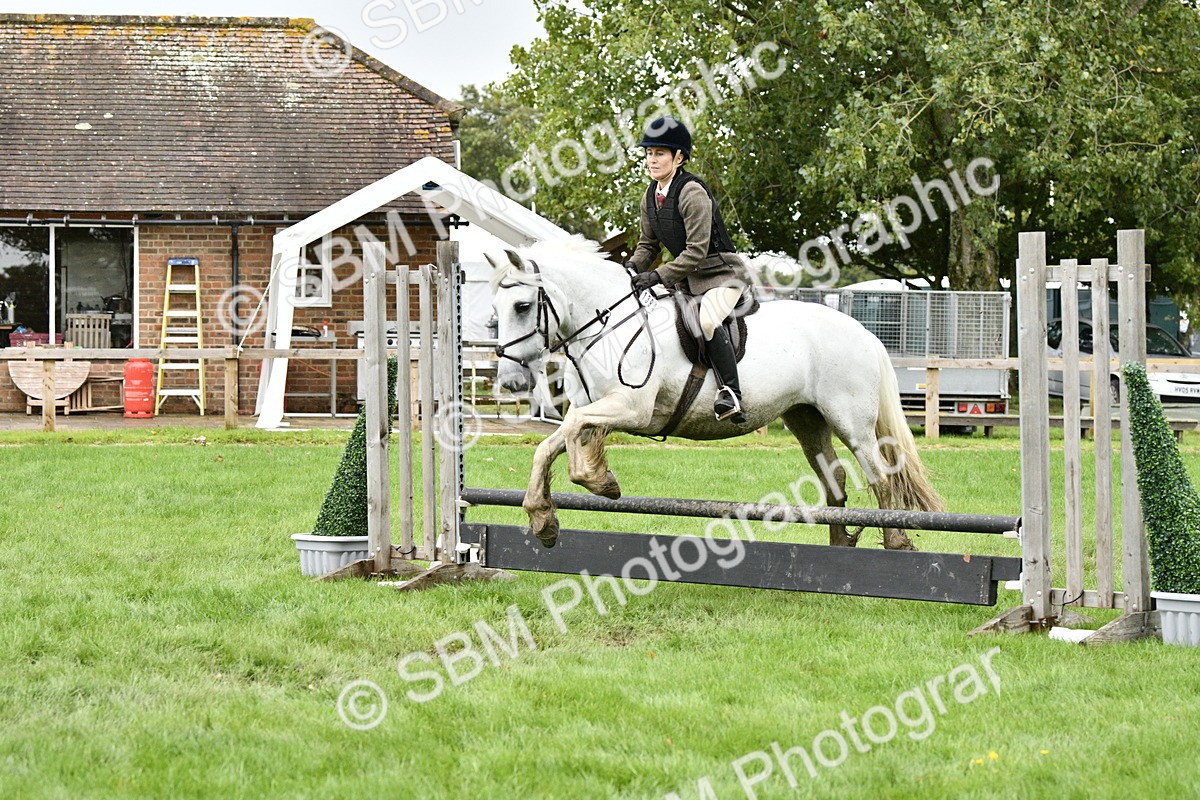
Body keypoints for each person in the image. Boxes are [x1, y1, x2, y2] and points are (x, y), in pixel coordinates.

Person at [626, 116, 754, 424]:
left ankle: (731, 393)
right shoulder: (650, 195)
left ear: (678, 157)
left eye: (659, 153)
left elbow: (696, 251)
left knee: (707, 319)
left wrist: (656, 276)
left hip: (722, 274)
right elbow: (648, 247)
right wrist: (629, 269)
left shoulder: (692, 191)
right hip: (687, 279)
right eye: (648, 153)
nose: (652, 159)